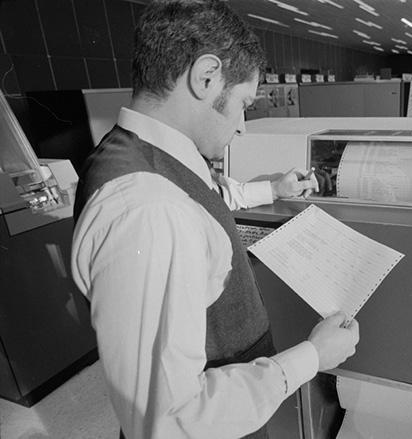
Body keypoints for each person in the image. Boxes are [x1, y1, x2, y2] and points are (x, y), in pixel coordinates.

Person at [70, 1, 360, 438]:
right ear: (205, 77)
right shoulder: (151, 213)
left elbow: (204, 195)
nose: (242, 125)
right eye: (244, 102)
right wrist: (312, 356)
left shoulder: (137, 154)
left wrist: (271, 190)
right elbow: (171, 421)